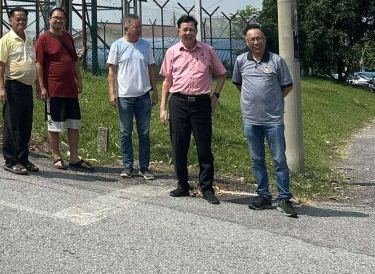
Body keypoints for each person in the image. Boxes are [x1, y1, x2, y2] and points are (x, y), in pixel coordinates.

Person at [231, 24, 297, 217]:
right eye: (252, 39)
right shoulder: (241, 60)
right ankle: (263, 195)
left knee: (279, 159)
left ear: (265, 39)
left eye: (259, 38)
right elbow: (238, 84)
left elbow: (287, 86)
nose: (256, 42)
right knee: (257, 159)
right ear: (246, 41)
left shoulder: (276, 61)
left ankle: (284, 198)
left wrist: (272, 102)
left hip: (273, 120)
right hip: (251, 120)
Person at [159, 14, 227, 203]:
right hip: (178, 102)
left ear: (196, 31)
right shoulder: (172, 52)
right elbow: (167, 81)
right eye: (184, 29)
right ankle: (182, 185)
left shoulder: (207, 51)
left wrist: (215, 96)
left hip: (201, 104)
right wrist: (163, 107)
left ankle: (207, 188)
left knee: (204, 146)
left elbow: (221, 75)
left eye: (191, 29)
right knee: (179, 146)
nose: (188, 32)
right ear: (178, 31)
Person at [34, 7, 93, 171]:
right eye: (55, 18)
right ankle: (57, 156)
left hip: (70, 89)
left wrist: (79, 80)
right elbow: (38, 63)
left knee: (74, 124)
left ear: (65, 20)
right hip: (53, 88)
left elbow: (74, 60)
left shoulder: (68, 37)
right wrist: (41, 87)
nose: (58, 20)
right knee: (54, 125)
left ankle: (74, 157)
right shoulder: (43, 39)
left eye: (61, 18)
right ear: (49, 19)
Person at [108, 14, 158, 180]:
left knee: (144, 133)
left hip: (143, 96)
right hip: (125, 97)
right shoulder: (117, 46)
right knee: (125, 132)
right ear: (127, 28)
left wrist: (154, 90)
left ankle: (145, 167)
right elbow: (112, 71)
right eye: (136, 27)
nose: (139, 30)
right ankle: (127, 166)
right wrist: (112, 92)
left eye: (140, 27)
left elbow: (151, 68)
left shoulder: (145, 46)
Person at [0, 7, 41, 175]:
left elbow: (34, 63)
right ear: (11, 21)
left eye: (24, 19)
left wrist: (38, 86)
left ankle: (23, 158)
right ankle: (11, 160)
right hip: (13, 86)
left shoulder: (29, 40)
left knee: (25, 125)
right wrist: (1, 88)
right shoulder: (6, 39)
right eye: (18, 19)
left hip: (27, 87)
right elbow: (1, 65)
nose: (21, 22)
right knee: (11, 124)